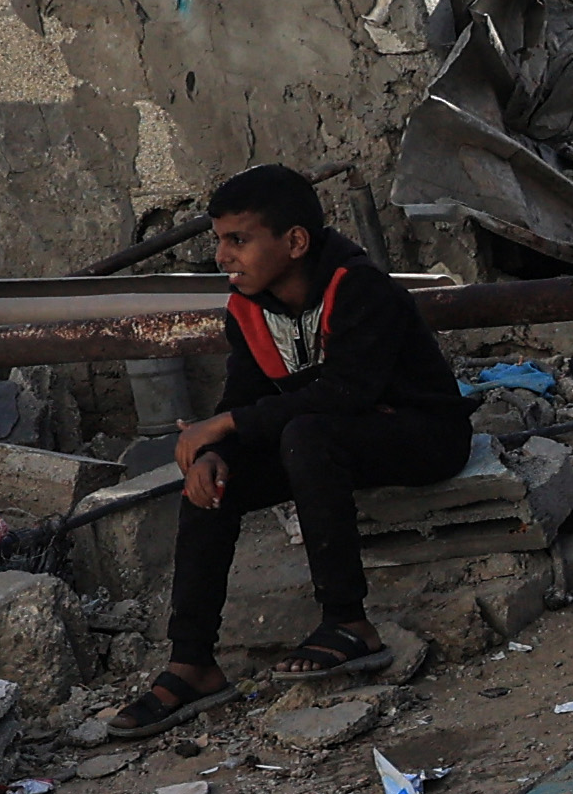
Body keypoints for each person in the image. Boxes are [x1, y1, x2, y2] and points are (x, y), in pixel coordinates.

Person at [110, 165, 472, 733]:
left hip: (421, 436)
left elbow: (348, 392)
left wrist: (223, 423)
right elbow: (247, 394)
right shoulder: (247, 309)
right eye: (219, 240)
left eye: (239, 240)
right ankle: (193, 660)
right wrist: (213, 449)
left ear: (295, 241)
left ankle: (350, 622)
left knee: (307, 432)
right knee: (211, 480)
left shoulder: (360, 288)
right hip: (329, 444)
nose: (223, 256)